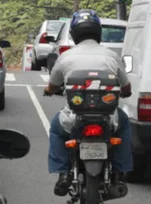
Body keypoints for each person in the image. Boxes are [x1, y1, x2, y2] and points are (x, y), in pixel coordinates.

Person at [44, 9, 133, 197]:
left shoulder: (66, 56)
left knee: (55, 128)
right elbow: (126, 86)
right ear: (98, 32)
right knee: (124, 124)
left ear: (74, 34)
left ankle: (62, 174)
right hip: (109, 119)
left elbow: (53, 85)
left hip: (73, 119)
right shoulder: (111, 56)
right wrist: (125, 92)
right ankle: (120, 173)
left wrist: (49, 91)